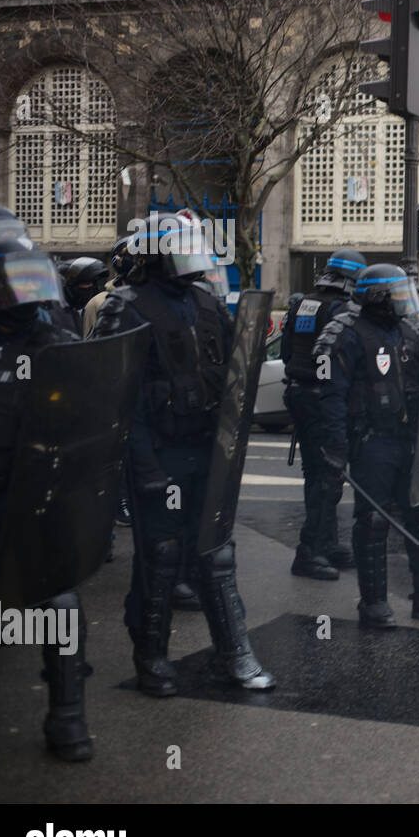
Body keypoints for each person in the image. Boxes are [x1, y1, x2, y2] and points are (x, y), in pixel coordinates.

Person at [91, 211, 274, 695]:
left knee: (215, 554)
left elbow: (236, 370)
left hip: (204, 450)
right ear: (155, 256)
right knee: (160, 556)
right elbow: (115, 397)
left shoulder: (208, 302)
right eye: (180, 246)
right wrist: (144, 464)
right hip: (159, 454)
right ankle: (151, 656)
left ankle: (233, 655)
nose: (191, 256)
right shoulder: (124, 307)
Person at [0, 223, 94, 760]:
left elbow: (88, 420)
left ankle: (67, 718)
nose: (27, 292)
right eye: (13, 280)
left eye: (32, 278)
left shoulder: (57, 340)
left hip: (37, 498)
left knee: (60, 604)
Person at [313, 264, 419, 627]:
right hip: (371, 443)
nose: (403, 301)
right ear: (378, 297)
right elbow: (331, 397)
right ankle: (374, 604)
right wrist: (335, 447)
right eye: (397, 294)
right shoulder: (344, 333)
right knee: (373, 521)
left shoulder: (410, 333)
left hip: (409, 441)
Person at [279, 248, 366, 581]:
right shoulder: (341, 309)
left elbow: (288, 350)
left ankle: (327, 543)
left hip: (299, 392)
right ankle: (310, 551)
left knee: (316, 473)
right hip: (322, 397)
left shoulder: (303, 303)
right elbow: (337, 360)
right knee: (328, 476)